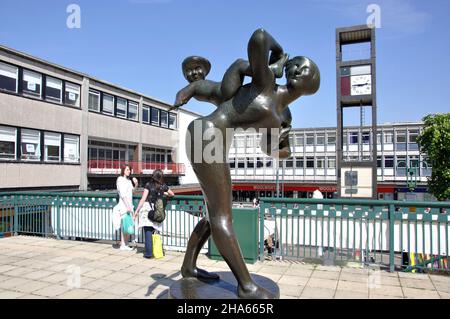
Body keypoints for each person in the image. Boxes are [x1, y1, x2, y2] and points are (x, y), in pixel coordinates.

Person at [172, 28, 320, 298]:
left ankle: (188, 267)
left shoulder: (282, 112)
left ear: (312, 87)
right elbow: (259, 37)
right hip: (206, 134)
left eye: (307, 70)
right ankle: (246, 285)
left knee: (214, 212)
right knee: (221, 217)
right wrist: (277, 53)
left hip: (215, 140)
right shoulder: (266, 83)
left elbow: (271, 151)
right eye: (298, 64)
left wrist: (283, 144)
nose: (299, 68)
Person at [134, 169, 174, 259]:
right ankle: (157, 251)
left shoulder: (148, 185)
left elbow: (143, 199)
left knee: (147, 231)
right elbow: (172, 194)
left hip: (148, 209)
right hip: (158, 210)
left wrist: (136, 211)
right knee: (155, 231)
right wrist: (163, 193)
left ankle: (148, 253)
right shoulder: (163, 186)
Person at [112, 165, 138, 251]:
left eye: (130, 170)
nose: (129, 171)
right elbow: (122, 195)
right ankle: (123, 244)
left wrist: (136, 184)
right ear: (123, 170)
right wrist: (128, 207)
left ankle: (126, 243)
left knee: (128, 224)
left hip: (129, 205)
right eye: (127, 170)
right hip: (124, 205)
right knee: (125, 224)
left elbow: (132, 191)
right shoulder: (120, 179)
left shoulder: (129, 181)